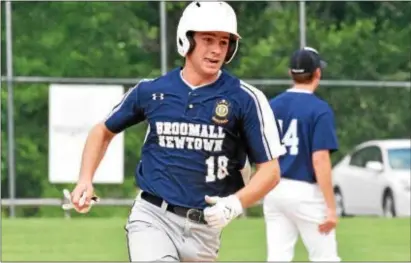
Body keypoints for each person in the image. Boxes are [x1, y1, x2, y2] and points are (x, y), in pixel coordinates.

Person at [65, 1, 285, 261]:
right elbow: (102, 131)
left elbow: (270, 171)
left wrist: (234, 204)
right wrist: (85, 179)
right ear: (186, 39)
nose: (216, 50)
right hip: (152, 216)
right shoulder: (151, 90)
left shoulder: (246, 99)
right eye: (208, 39)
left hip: (205, 230)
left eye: (224, 42)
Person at [263, 47, 341, 262]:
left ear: (290, 73)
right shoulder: (319, 109)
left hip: (274, 188)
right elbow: (320, 159)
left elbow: (262, 152)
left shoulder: (272, 106)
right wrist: (331, 208)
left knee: (278, 257)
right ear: (318, 73)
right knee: (325, 258)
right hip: (306, 192)